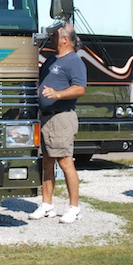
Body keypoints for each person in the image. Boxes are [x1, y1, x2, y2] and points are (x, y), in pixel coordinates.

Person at [29, 24, 87, 224]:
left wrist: (58, 94)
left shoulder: (74, 61)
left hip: (61, 117)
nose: (52, 38)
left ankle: (74, 208)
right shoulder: (52, 60)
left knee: (65, 161)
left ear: (65, 39)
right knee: (47, 161)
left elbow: (80, 88)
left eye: (55, 35)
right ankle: (47, 205)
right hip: (46, 117)